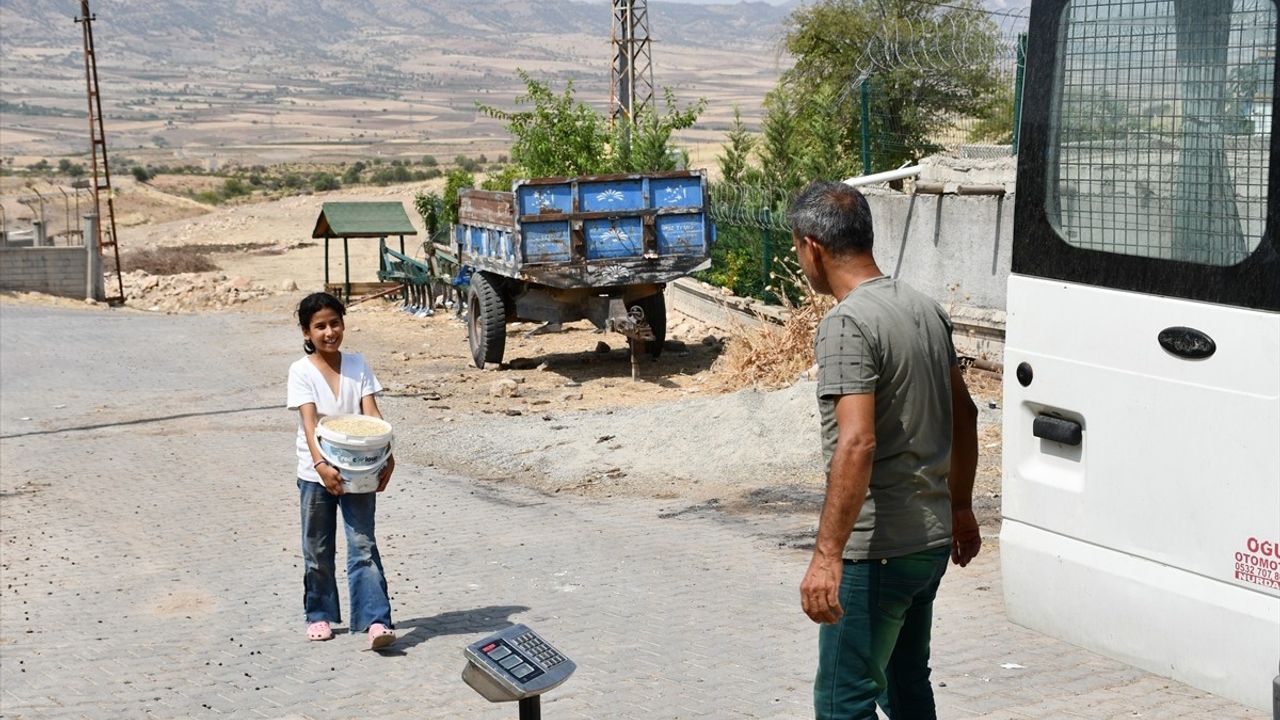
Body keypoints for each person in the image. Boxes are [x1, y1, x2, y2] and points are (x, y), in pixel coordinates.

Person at [790, 181, 981, 719]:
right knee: (905, 689)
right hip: (927, 543)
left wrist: (827, 557)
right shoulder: (924, 309)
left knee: (842, 703)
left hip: (876, 554)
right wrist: (961, 507)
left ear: (813, 247)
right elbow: (964, 413)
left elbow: (857, 441)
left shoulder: (847, 323)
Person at [286, 291, 397, 650]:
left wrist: (387, 453)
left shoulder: (358, 364)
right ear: (307, 333)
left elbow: (372, 414)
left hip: (360, 469)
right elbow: (308, 423)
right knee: (317, 548)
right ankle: (318, 614)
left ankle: (375, 620)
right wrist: (321, 465)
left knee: (363, 545)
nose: (329, 332)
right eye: (320, 326)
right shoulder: (300, 371)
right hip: (315, 471)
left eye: (335, 323)